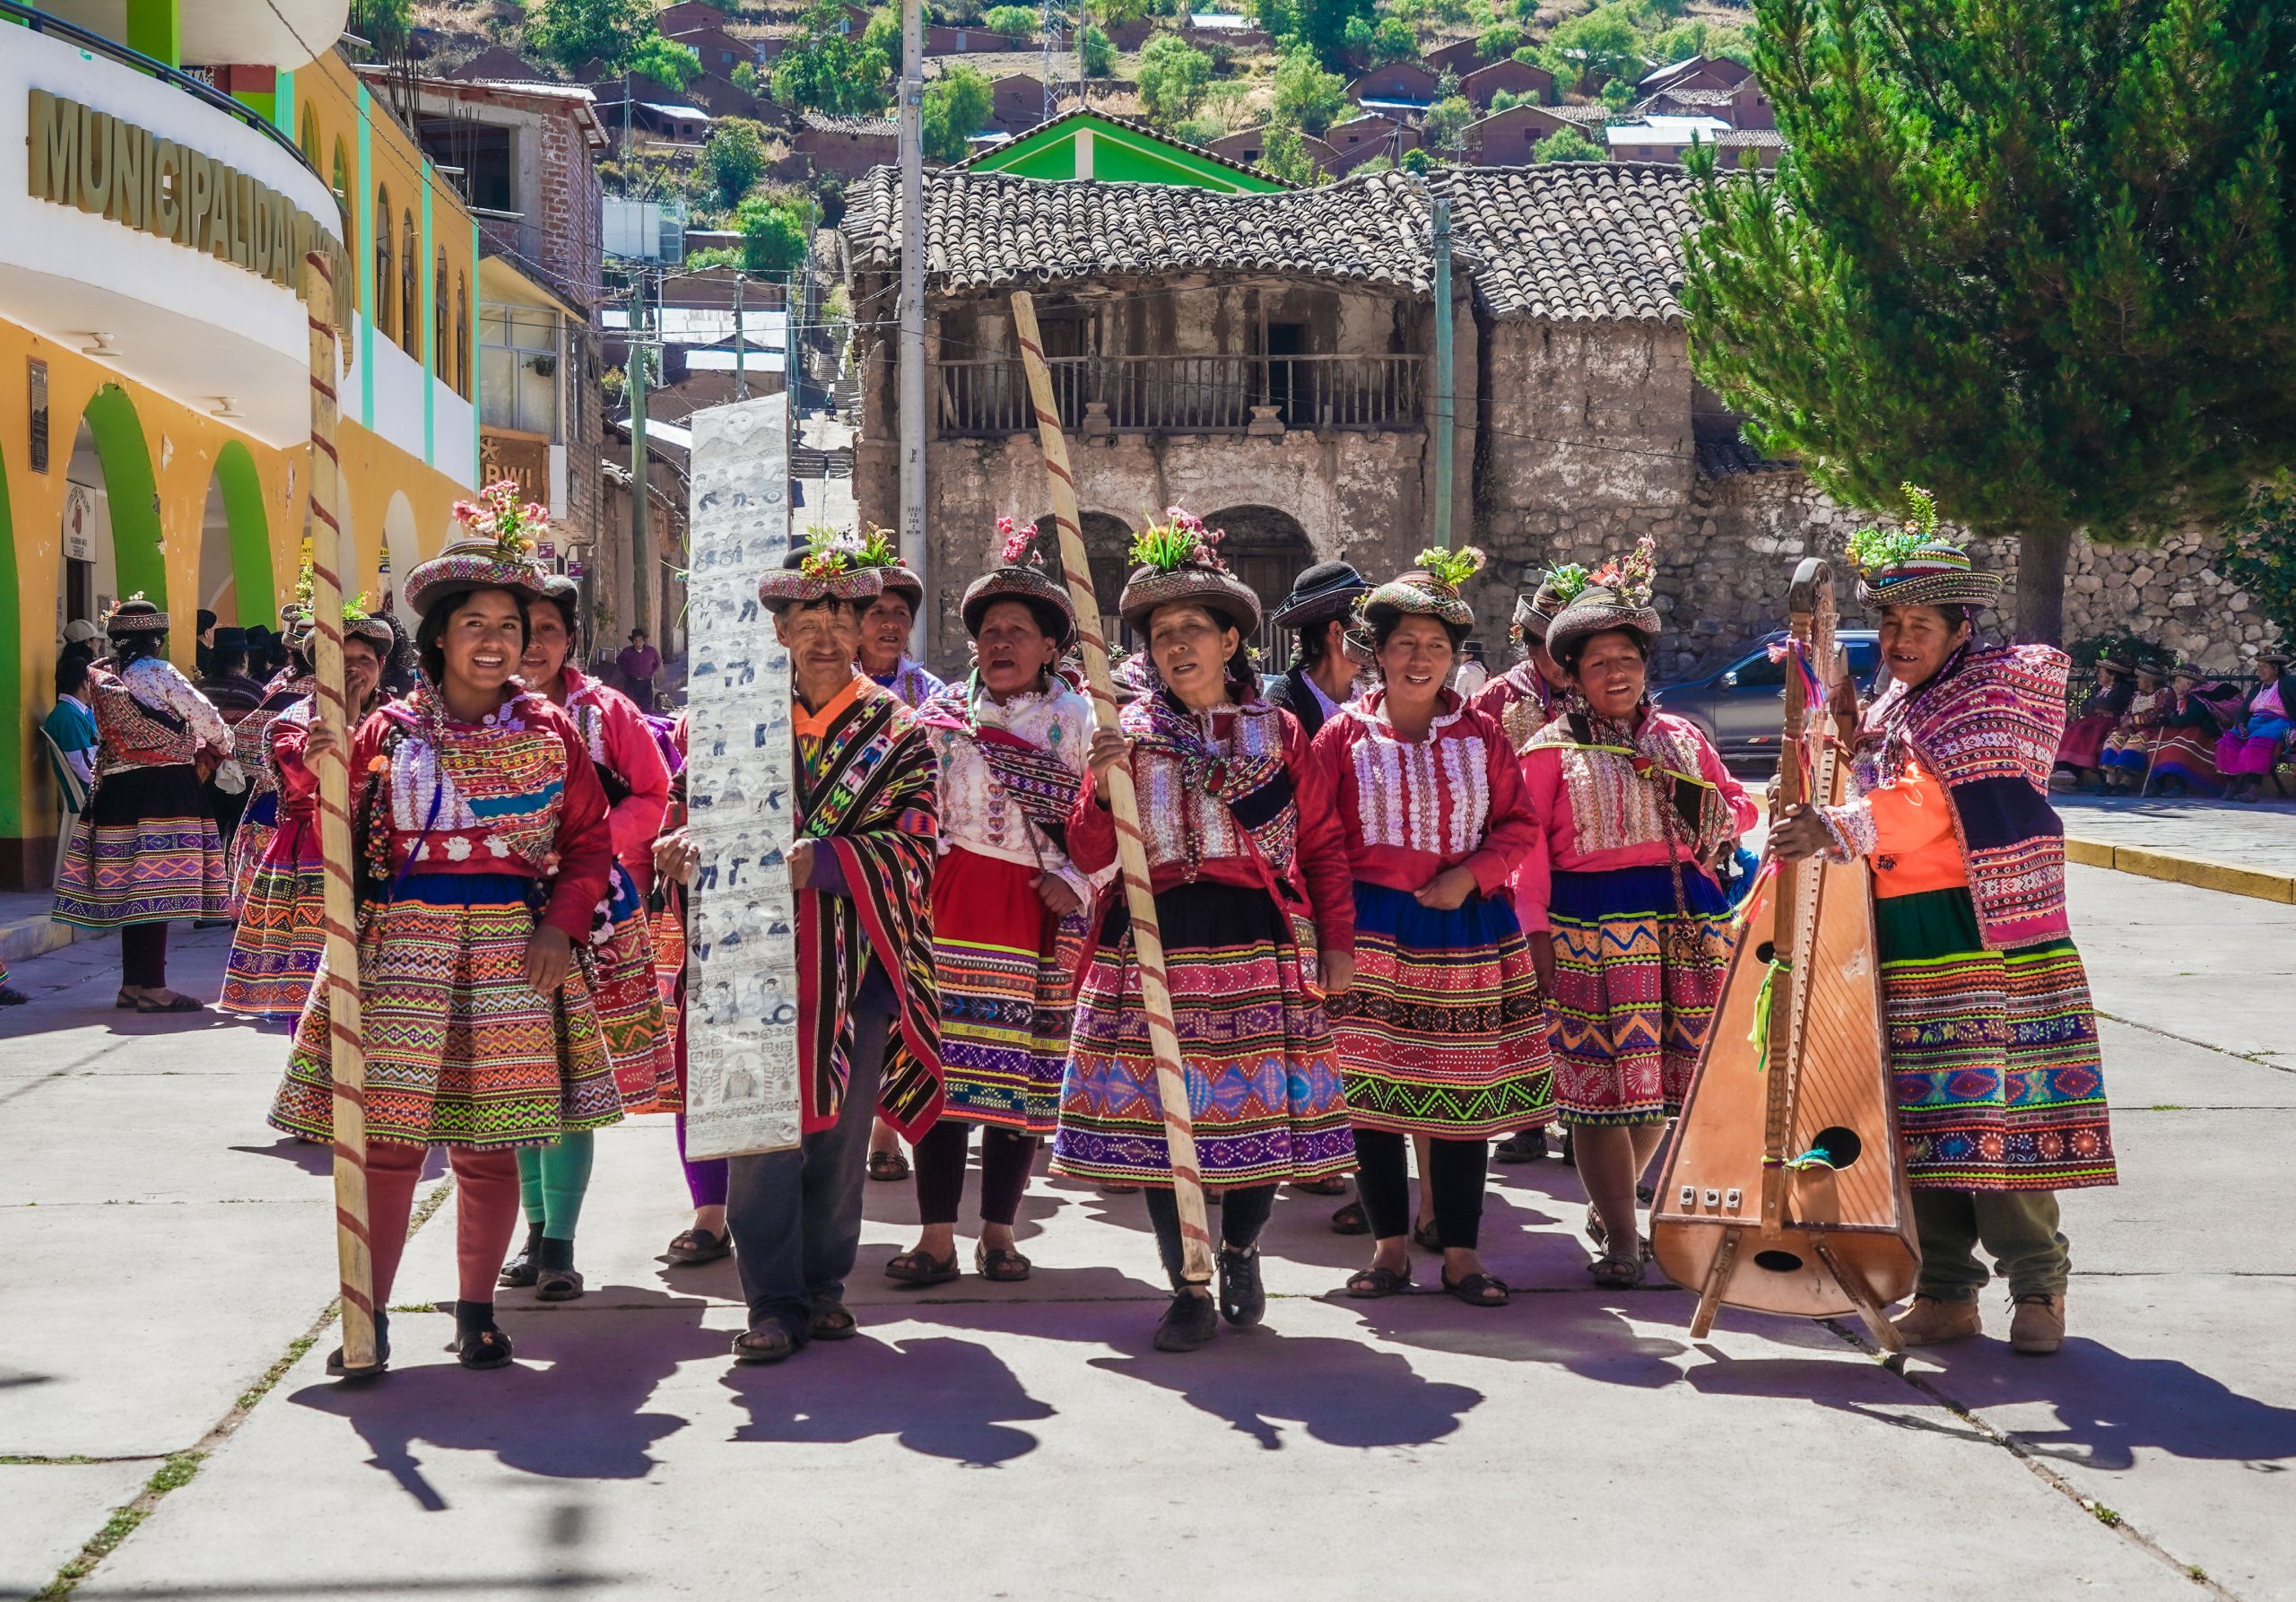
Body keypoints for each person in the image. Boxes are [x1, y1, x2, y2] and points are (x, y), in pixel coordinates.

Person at [267, 521, 622, 1376]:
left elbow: (588, 842)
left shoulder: (552, 735)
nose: (498, 642)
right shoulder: (385, 732)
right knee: (387, 1146)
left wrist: (559, 925)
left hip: (512, 953)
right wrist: (326, 779)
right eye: (477, 625)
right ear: (438, 638)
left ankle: (476, 1314)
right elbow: (341, 843)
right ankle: (372, 1318)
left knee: (490, 1145)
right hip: (403, 950)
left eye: (513, 627)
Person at [1770, 510, 2115, 1354]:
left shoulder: (1986, 694)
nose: (1899, 637)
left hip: (1984, 934)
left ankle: (2038, 1289)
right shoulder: (1902, 701)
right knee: (1922, 1119)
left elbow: (1928, 808)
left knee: (1998, 1115)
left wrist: (1835, 826)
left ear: (1962, 630)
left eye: (1920, 624)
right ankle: (1947, 1291)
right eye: (1889, 622)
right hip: (1905, 931)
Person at [1057, 509, 1357, 1353]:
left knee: (1252, 1113)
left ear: (1232, 641)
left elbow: (1321, 844)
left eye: (1194, 629)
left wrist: (1336, 942)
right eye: (1160, 635)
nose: (1176, 646)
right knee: (1167, 1123)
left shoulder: (1278, 731)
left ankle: (1240, 1248)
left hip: (1248, 933)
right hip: (1152, 934)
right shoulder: (1128, 736)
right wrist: (1096, 781)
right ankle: (1186, 1284)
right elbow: (1087, 851)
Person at [679, 539, 943, 1365]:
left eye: (841, 619)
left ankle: (824, 1289)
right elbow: (701, 815)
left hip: (851, 962)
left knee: (838, 1134)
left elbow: (921, 841)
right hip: (747, 960)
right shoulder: (735, 721)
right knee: (760, 1134)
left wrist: (826, 861)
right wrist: (681, 845)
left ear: (866, 627)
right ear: (780, 629)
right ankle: (772, 1300)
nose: (825, 637)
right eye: (806, 621)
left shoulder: (900, 732)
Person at [1512, 540, 1756, 1288]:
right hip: (1589, 926)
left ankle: (1614, 1204)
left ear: (1644, 666)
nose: (1615, 673)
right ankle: (1622, 1236)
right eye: (1597, 663)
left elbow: (1738, 814)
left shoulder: (1681, 738)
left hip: (1684, 920)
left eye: (1626, 658)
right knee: (1599, 1090)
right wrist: (1538, 943)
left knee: (1663, 1082)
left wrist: (1687, 793)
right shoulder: (1549, 751)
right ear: (1575, 679)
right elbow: (1530, 857)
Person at [1314, 551, 1553, 1308]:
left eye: (1438, 647)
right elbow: (1316, 841)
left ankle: (1461, 1252)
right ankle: (1388, 1249)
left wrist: (1472, 875)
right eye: (1406, 644)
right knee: (1372, 1094)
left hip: (1463, 932)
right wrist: (1333, 942)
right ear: (1377, 653)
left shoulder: (1482, 735)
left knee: (1460, 1095)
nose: (1421, 659)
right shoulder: (1340, 739)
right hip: (1371, 931)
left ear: (1456, 658)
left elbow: (1519, 824)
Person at [889, 528, 1106, 1287]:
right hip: (949, 911)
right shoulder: (939, 720)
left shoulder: (1080, 724)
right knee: (943, 1079)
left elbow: (1112, 822)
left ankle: (1001, 1233)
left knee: (1018, 1079)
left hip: (1035, 917)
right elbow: (910, 815)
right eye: (989, 632)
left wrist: (1076, 880)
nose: (1001, 642)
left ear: (1051, 647)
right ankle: (937, 1235)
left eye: (1018, 632)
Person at [496, 576, 675, 1301]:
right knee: (512, 1071)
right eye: (516, 627)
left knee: (572, 1077)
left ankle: (560, 1243)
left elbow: (653, 794)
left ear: (571, 639)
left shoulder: (606, 712)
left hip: (592, 912)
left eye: (546, 629)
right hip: (496, 912)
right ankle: (535, 1231)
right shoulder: (467, 716)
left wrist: (587, 847)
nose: (530, 644)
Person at [51, 597, 235, 1012]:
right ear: (156, 638)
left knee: (136, 887)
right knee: (158, 886)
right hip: (163, 789)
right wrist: (223, 746)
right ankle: (153, 987)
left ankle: (133, 983)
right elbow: (204, 717)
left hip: (117, 789)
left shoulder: (101, 677)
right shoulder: (157, 672)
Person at [219, 610, 393, 1022]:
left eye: (364, 661)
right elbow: (304, 783)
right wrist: (346, 720)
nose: (354, 672)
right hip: (312, 858)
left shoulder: (402, 721)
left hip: (386, 856)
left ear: (382, 666)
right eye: (341, 663)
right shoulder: (291, 722)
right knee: (313, 993)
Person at [845, 535, 948, 1184]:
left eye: (900, 615)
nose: (890, 624)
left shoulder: (931, 694)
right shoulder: (831, 691)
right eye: (877, 612)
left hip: (911, 866)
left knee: (897, 998)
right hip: (839, 869)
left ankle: (885, 1132)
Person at [1471, 570, 1574, 1165]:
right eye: (1548, 647)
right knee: (1524, 997)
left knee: (1579, 994)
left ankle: (1584, 1119)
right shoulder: (1497, 699)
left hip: (1579, 869)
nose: (1559, 660)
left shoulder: (1597, 693)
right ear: (1531, 644)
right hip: (1512, 871)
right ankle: (1529, 1120)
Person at [1265, 560, 1371, 739]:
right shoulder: (1284, 703)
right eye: (1362, 622)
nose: (1372, 632)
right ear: (1337, 632)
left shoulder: (1372, 688)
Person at [2053, 652, 2135, 791]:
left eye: (2102, 672)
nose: (2099, 675)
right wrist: (2096, 708)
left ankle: (2072, 774)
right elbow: (2085, 706)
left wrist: (2096, 706)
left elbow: (2110, 704)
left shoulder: (2122, 690)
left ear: (2112, 675)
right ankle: (2063, 769)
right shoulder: (2098, 689)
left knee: (2083, 734)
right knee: (2071, 731)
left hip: (2108, 723)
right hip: (2093, 720)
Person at [2218, 650, 2289, 803]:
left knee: (2257, 744)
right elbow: (2243, 711)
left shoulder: (2288, 684)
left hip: (2279, 724)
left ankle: (2253, 790)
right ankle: (2230, 786)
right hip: (2254, 724)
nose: (2260, 670)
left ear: (2276, 668)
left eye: (2265, 666)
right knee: (2228, 741)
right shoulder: (2257, 688)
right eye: (2259, 666)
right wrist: (2241, 724)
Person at [2097, 657, 2169, 792]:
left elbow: (2155, 714)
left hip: (2152, 730)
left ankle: (2125, 783)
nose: (2137, 681)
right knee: (2115, 738)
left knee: (2136, 743)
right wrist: (2128, 725)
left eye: (2140, 678)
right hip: (2132, 728)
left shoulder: (2164, 693)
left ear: (2149, 680)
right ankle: (2110, 783)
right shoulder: (2136, 695)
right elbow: (2127, 713)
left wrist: (2132, 721)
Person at [42, 655, 100, 790]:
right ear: (85, 684)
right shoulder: (69, 716)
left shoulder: (75, 712)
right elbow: (85, 769)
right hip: (90, 795)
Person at [617, 627, 662, 713]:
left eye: (640, 640)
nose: (638, 643)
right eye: (635, 640)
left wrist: (652, 673)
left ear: (644, 640)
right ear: (632, 641)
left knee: (647, 709)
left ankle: (646, 724)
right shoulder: (627, 651)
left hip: (646, 683)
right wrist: (626, 671)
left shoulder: (651, 651)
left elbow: (658, 662)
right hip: (631, 683)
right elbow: (619, 661)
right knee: (631, 708)